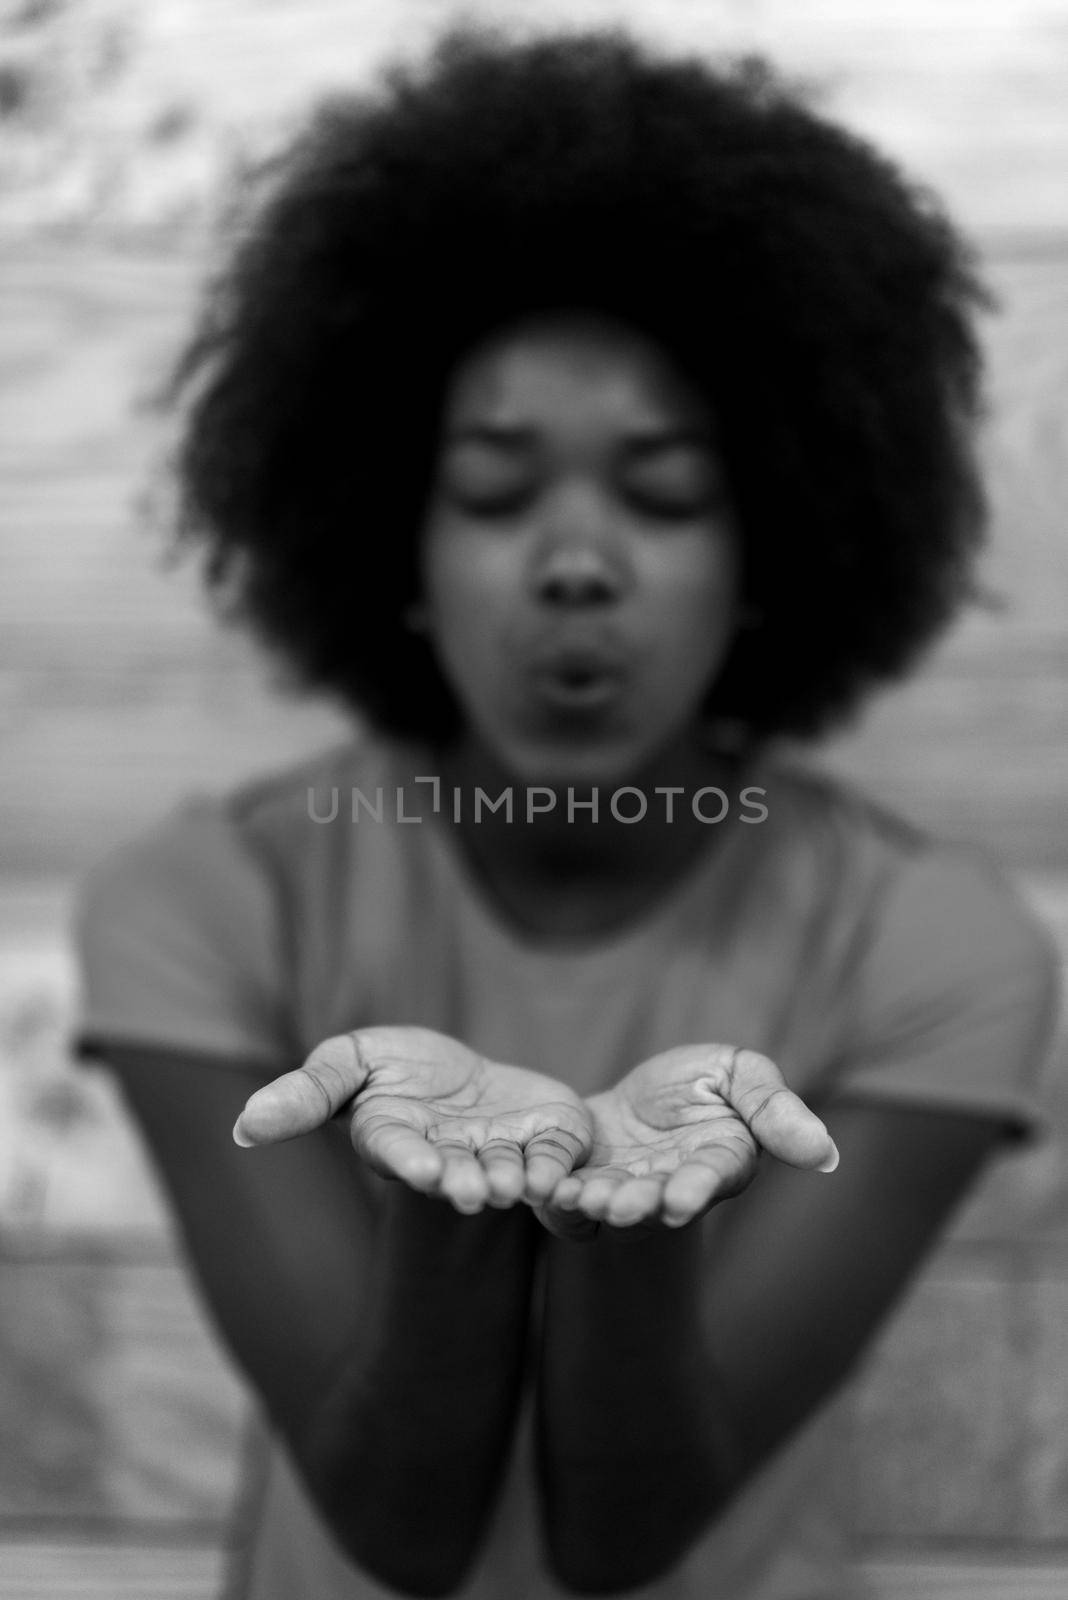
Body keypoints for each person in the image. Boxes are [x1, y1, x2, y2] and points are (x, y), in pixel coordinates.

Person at [72, 21, 1062, 1600]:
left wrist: (624, 1226)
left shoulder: (934, 942)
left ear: (772, 558)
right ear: (393, 543)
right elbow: (395, 1526)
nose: (575, 561)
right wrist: (458, 1222)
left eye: (662, 493)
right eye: (494, 487)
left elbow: (623, 1539)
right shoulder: (205, 899)